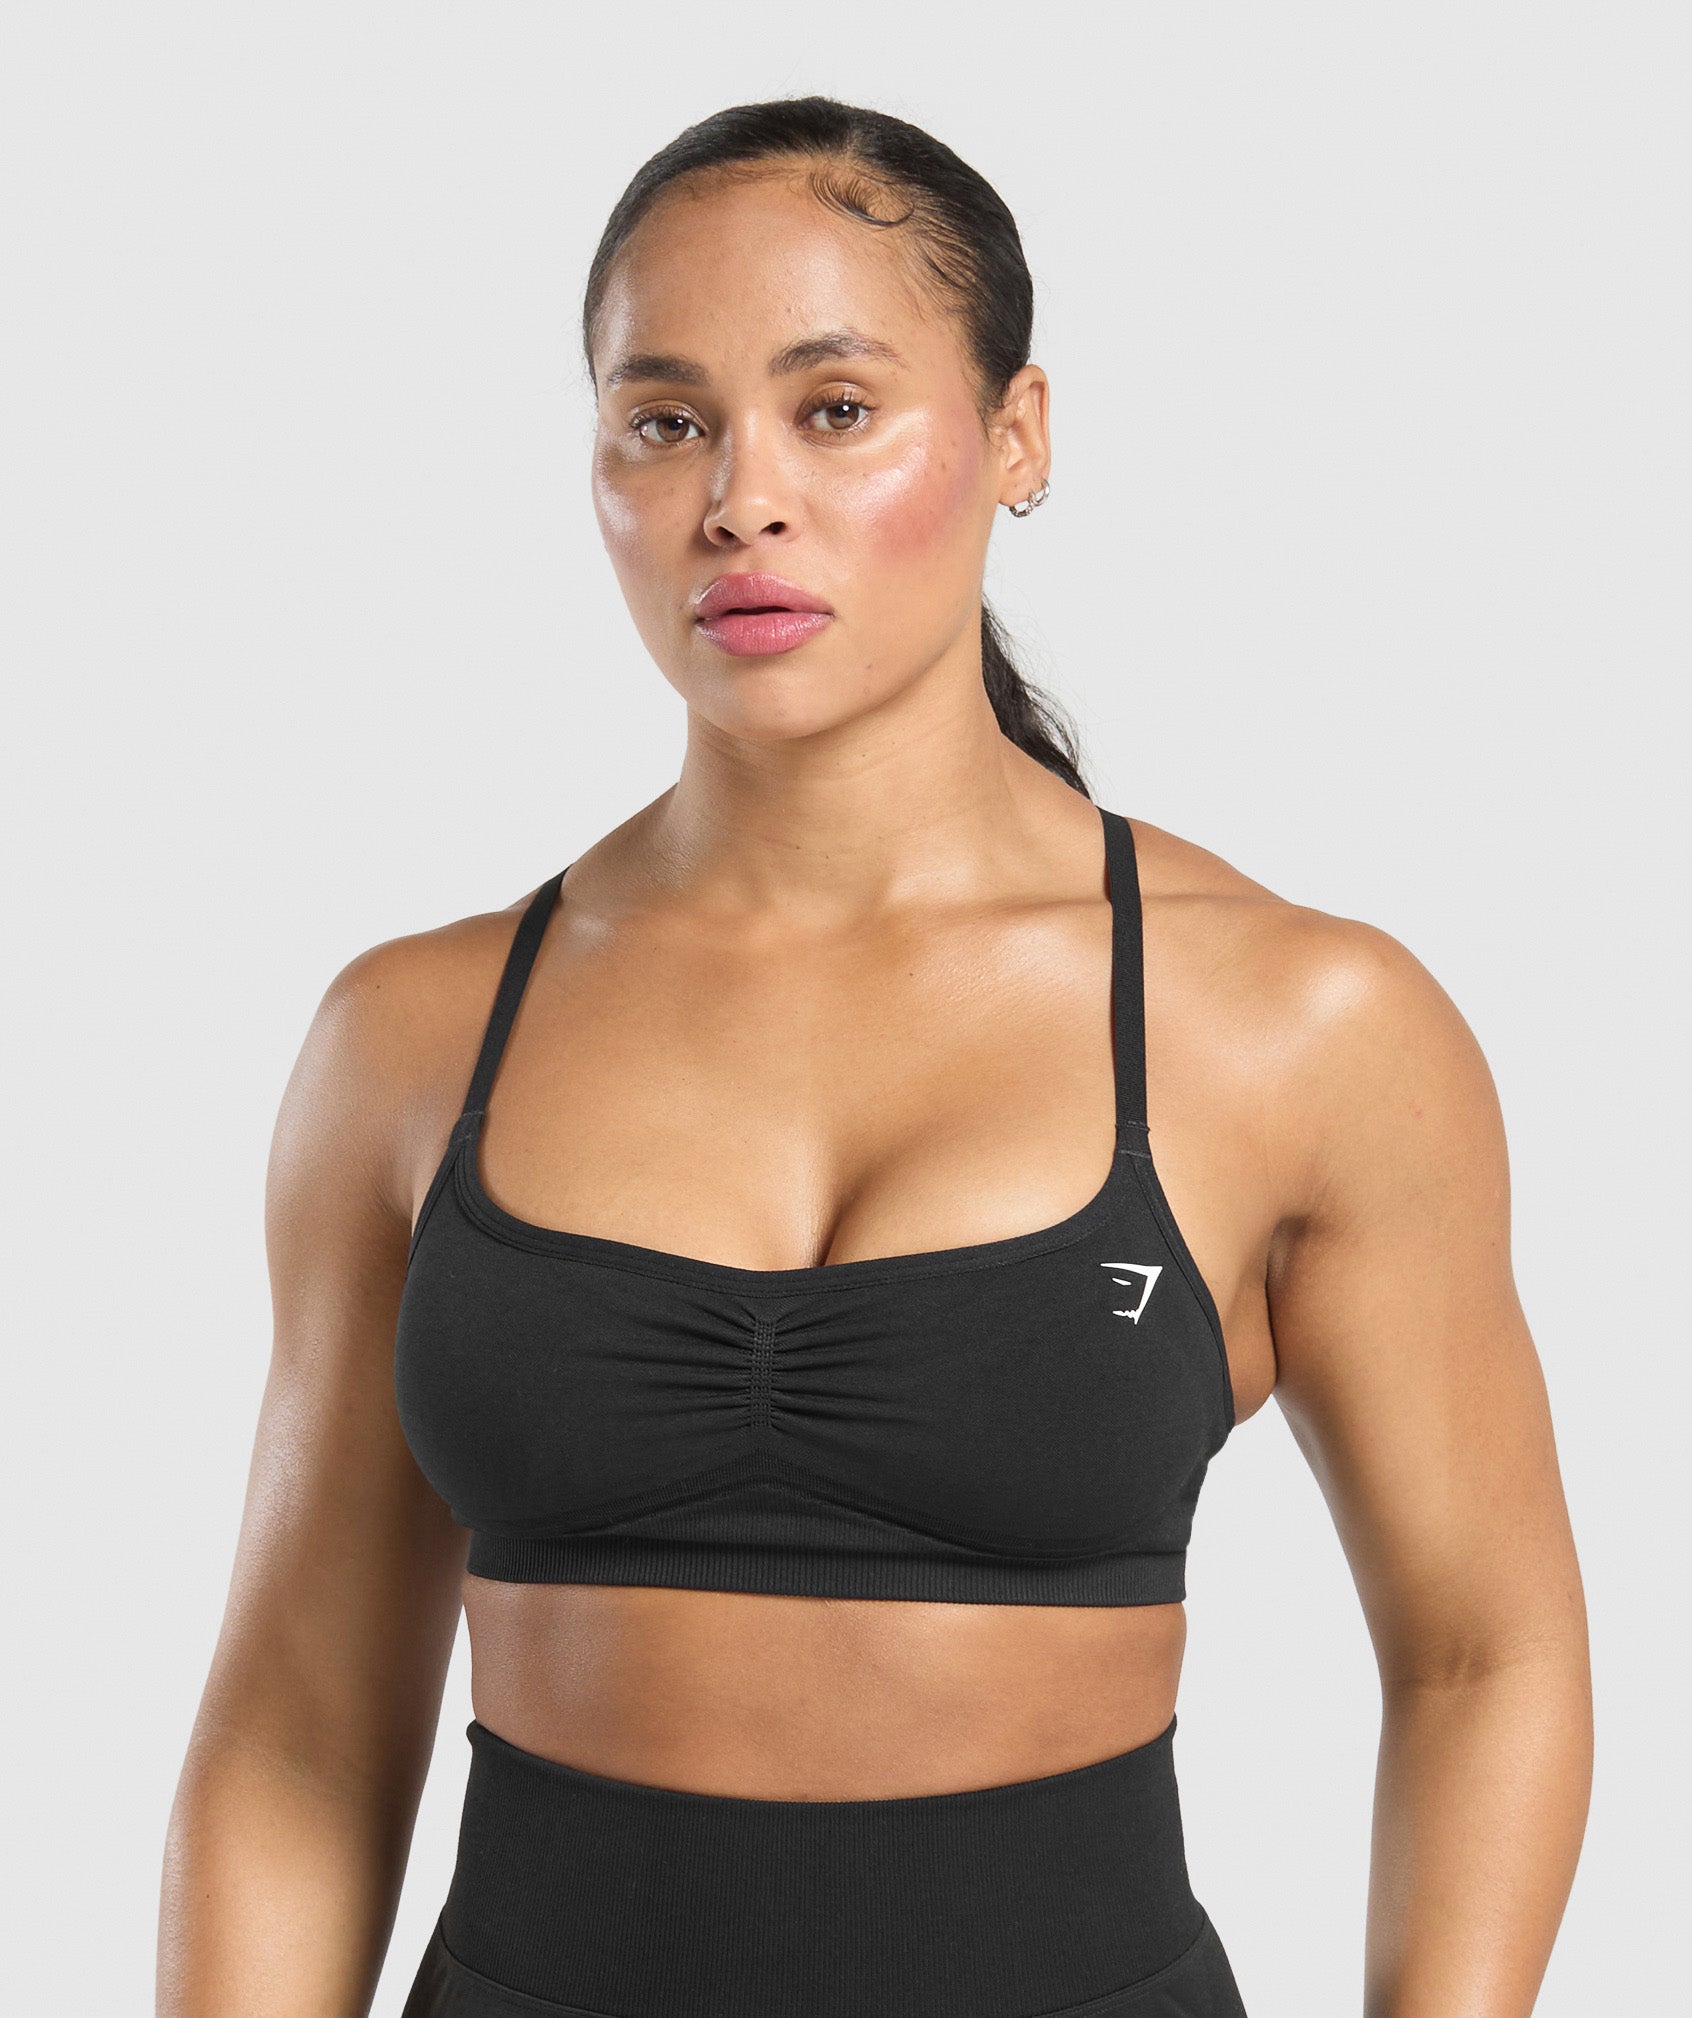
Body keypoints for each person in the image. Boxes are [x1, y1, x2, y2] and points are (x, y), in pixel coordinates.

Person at [157, 96, 1592, 2018]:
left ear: (1018, 435)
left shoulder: (1299, 1022)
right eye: (665, 421)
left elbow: (1487, 1653)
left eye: (835, 407)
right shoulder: (410, 1040)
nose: (741, 498)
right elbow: (299, 1728)